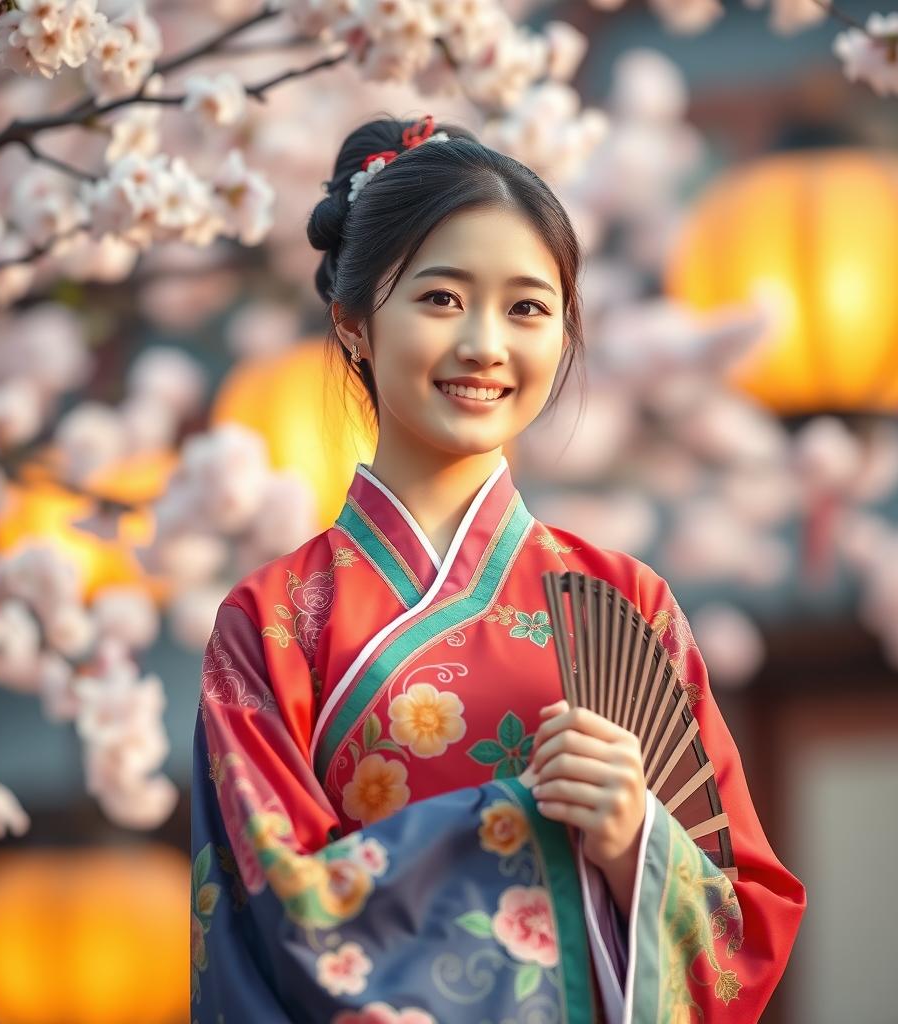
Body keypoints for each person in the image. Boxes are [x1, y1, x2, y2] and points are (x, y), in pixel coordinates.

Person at [190, 113, 806, 1024]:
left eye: (528, 307)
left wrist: (635, 843)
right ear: (355, 322)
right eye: (442, 299)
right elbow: (271, 910)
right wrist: (534, 832)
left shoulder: (626, 601)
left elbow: (747, 925)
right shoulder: (274, 619)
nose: (486, 344)